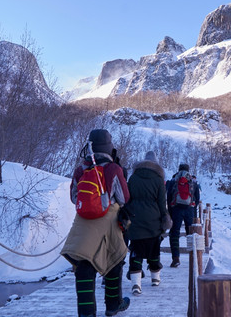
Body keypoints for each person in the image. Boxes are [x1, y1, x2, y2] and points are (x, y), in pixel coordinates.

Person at [61, 129, 131, 317]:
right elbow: (124, 198)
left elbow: (74, 198)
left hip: (83, 223)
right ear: (109, 146)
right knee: (114, 259)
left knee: (84, 265)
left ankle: (86, 312)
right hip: (109, 222)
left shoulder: (80, 169)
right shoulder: (114, 169)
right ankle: (112, 305)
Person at [125, 151, 167, 295]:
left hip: (135, 219)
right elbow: (162, 203)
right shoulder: (158, 179)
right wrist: (165, 219)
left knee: (136, 250)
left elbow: (127, 199)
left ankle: (136, 284)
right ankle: (155, 278)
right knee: (154, 249)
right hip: (153, 220)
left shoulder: (134, 177)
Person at [167, 163, 198, 268]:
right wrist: (193, 211)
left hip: (176, 210)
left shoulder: (173, 181)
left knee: (174, 234)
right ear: (188, 170)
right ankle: (193, 257)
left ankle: (176, 258)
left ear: (179, 169)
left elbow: (168, 197)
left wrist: (170, 212)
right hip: (189, 209)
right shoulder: (193, 182)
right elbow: (197, 199)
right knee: (191, 234)